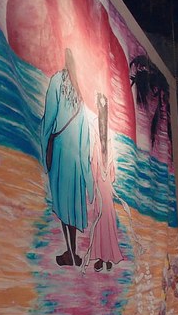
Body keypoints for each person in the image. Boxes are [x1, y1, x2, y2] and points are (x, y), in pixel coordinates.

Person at [40, 48, 94, 267]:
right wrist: (88, 177)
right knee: (71, 205)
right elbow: (85, 136)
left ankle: (71, 253)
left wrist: (43, 148)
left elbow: (49, 118)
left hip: (62, 151)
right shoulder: (79, 93)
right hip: (76, 158)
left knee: (63, 205)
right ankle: (72, 252)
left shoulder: (57, 81)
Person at [85, 92, 123, 271]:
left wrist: (107, 174)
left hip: (105, 180)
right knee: (100, 217)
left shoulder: (109, 133)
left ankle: (107, 256)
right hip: (100, 178)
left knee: (107, 216)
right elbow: (93, 155)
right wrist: (95, 176)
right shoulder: (94, 126)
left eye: (103, 105)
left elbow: (111, 159)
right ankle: (101, 256)